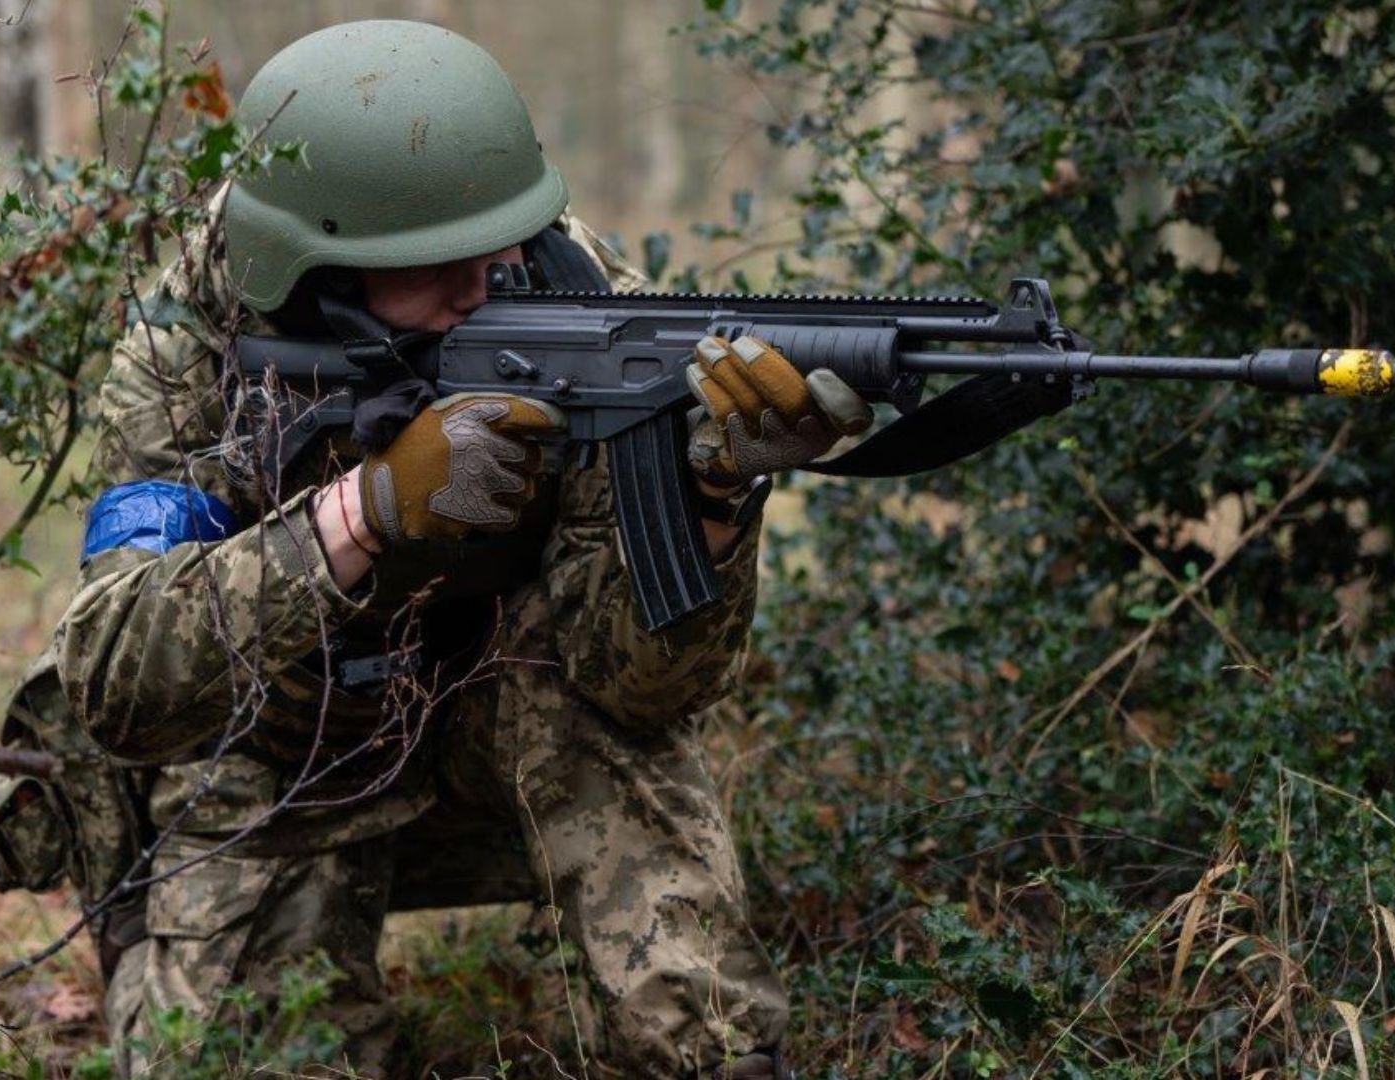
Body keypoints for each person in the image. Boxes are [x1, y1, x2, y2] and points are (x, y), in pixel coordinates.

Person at [47, 19, 869, 1079]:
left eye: (503, 249)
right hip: (287, 748)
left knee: (595, 723)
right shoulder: (187, 357)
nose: (489, 287)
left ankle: (715, 1048)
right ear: (323, 268)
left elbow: (644, 691)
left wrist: (716, 493)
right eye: (440, 270)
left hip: (506, 701)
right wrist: (364, 513)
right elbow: (118, 682)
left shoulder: (567, 291)